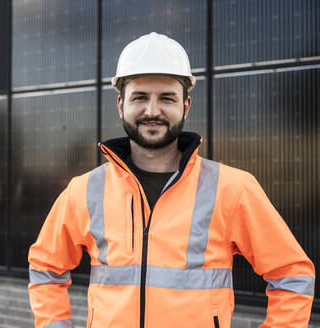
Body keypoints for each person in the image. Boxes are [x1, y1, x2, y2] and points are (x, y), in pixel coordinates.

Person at [28, 32, 315, 328]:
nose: (152, 111)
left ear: (186, 106)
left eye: (167, 98)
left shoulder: (232, 189)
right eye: (140, 97)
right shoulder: (84, 191)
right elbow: (45, 266)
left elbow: (292, 274)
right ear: (120, 104)